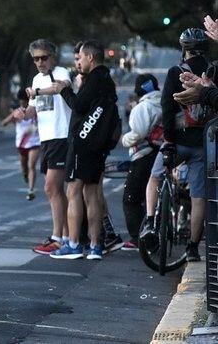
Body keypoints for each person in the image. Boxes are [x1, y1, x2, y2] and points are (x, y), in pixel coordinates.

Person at [141, 28, 216, 262]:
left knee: (154, 177)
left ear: (184, 49)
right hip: (205, 144)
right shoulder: (213, 71)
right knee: (199, 197)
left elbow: (167, 108)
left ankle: (152, 221)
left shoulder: (176, 72)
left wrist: (169, 141)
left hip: (178, 140)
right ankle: (193, 247)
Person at [49, 40, 117, 260]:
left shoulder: (95, 79)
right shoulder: (107, 80)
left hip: (82, 143)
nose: (78, 61)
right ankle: (96, 246)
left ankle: (74, 243)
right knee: (93, 194)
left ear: (90, 57)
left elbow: (78, 106)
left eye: (80, 57)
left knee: (73, 192)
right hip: (99, 144)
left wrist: (64, 90)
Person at [14, 39, 71, 255]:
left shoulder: (61, 72)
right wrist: (23, 113)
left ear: (52, 57)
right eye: (36, 59)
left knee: (50, 187)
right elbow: (32, 110)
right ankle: (66, 235)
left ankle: (58, 237)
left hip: (62, 136)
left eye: (44, 58)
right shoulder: (36, 79)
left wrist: (36, 92)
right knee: (56, 190)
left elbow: (59, 88)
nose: (40, 62)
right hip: (46, 139)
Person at [120, 74, 163, 250]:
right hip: (163, 153)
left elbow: (138, 133)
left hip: (143, 155)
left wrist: (124, 139)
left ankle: (139, 238)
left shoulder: (142, 108)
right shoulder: (166, 102)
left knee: (131, 198)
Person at [2, 88, 40, 200]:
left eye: (25, 101)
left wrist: (34, 129)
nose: (23, 103)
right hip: (21, 144)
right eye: (21, 101)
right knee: (24, 168)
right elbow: (4, 123)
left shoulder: (35, 111)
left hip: (34, 142)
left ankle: (31, 190)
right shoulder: (17, 112)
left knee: (31, 166)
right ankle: (25, 175)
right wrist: (12, 118)